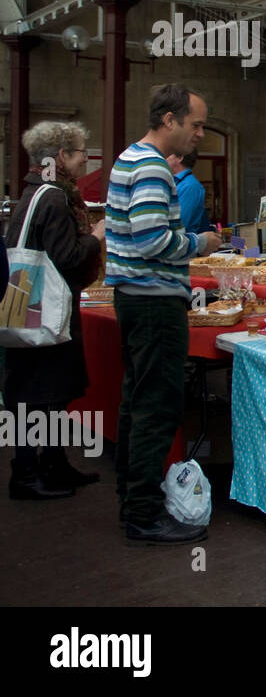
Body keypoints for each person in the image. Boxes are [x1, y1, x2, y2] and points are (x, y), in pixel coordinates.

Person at [107, 84, 222, 544]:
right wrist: (200, 243)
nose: (199, 134)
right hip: (155, 301)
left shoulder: (129, 157)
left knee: (137, 402)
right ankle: (143, 514)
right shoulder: (154, 167)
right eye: (195, 125)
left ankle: (132, 499)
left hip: (135, 298)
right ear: (169, 120)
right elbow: (153, 239)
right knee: (155, 406)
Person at [4, 122, 106, 500]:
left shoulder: (33, 191)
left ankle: (51, 463)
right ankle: (29, 473)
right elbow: (66, 257)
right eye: (80, 152)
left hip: (27, 302)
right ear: (62, 156)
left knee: (39, 391)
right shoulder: (55, 198)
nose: (84, 159)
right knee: (42, 392)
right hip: (47, 308)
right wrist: (95, 238)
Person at [166, 150, 210, 233]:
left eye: (168, 155)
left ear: (179, 158)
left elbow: (180, 226)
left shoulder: (189, 186)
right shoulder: (176, 183)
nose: (164, 158)